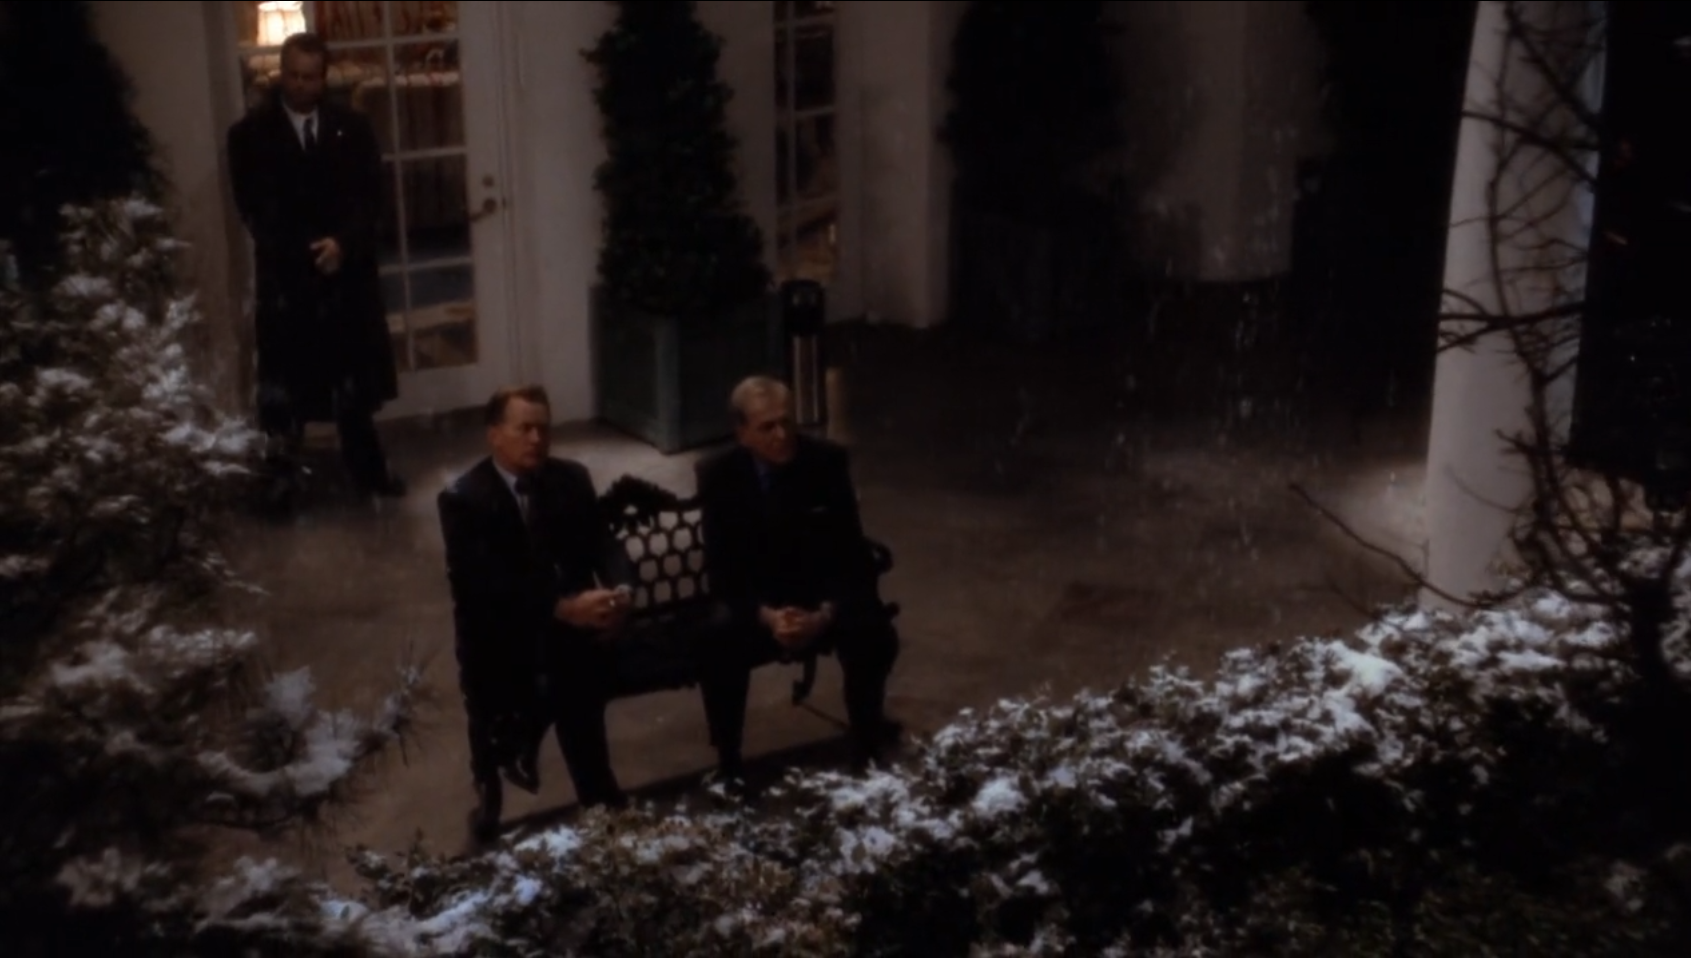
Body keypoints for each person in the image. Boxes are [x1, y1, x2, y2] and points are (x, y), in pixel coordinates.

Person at [437, 385, 636, 843]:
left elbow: (603, 544)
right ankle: (586, 788)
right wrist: (560, 608)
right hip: (503, 638)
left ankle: (594, 790)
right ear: (494, 435)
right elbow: (485, 586)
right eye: (523, 429)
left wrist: (621, 592)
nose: (536, 439)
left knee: (575, 663)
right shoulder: (464, 500)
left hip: (569, 633)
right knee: (565, 668)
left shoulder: (570, 480)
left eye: (543, 429)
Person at [226, 31, 405, 505]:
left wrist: (343, 244)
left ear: (324, 78)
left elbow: (371, 197)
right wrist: (304, 253)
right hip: (288, 280)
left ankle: (367, 470)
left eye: (310, 77)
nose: (301, 86)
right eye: (293, 76)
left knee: (353, 387)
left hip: (346, 278)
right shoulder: (249, 135)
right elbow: (254, 209)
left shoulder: (353, 128)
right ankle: (281, 479)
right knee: (287, 387)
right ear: (281, 74)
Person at [694, 376, 900, 780]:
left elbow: (851, 552)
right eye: (767, 427)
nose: (781, 435)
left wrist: (824, 614)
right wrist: (769, 616)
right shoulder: (720, 474)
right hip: (760, 600)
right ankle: (729, 762)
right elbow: (722, 568)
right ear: (742, 432)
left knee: (872, 631)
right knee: (717, 637)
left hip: (817, 594)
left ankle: (867, 745)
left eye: (786, 422)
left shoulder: (826, 461)